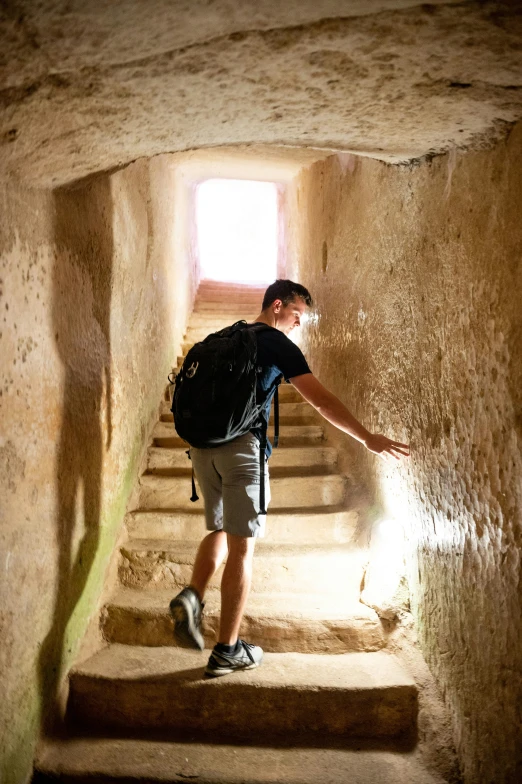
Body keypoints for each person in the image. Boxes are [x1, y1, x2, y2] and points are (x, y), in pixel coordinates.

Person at [169, 279, 409, 678]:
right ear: (277, 305)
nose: (299, 324)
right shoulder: (276, 343)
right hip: (243, 451)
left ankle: (193, 595)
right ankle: (227, 650)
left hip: (203, 450)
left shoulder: (227, 338)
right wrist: (366, 437)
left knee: (219, 530)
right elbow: (320, 399)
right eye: (297, 315)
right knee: (242, 549)